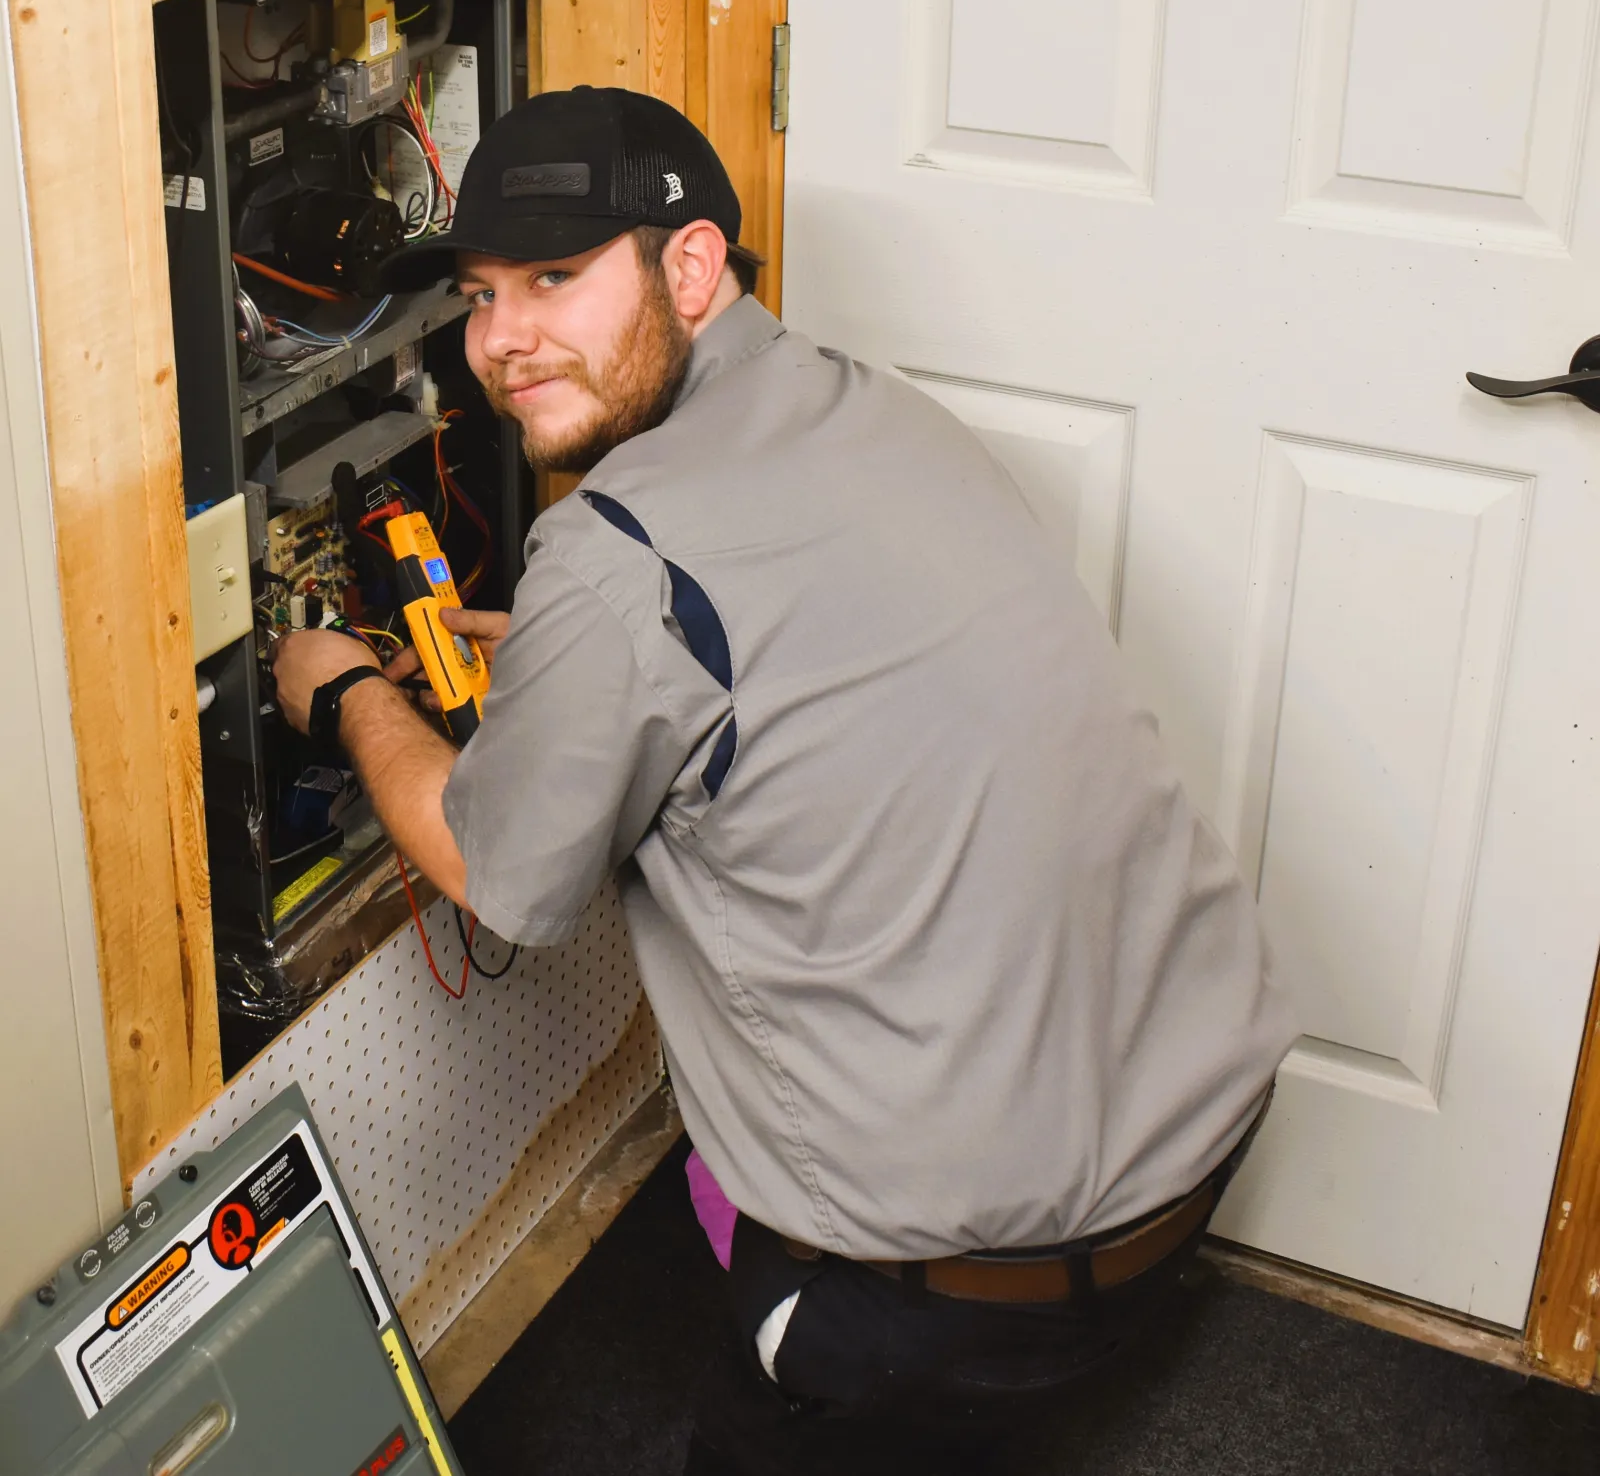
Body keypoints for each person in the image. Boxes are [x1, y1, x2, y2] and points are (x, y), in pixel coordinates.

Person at [273, 85, 1296, 1474]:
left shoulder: (613, 557)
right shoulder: (873, 409)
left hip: (953, 1312)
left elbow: (495, 878)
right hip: (1206, 1136)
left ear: (689, 269)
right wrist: (591, 675)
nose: (499, 345)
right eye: (478, 293)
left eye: (557, 279)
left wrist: (348, 693)